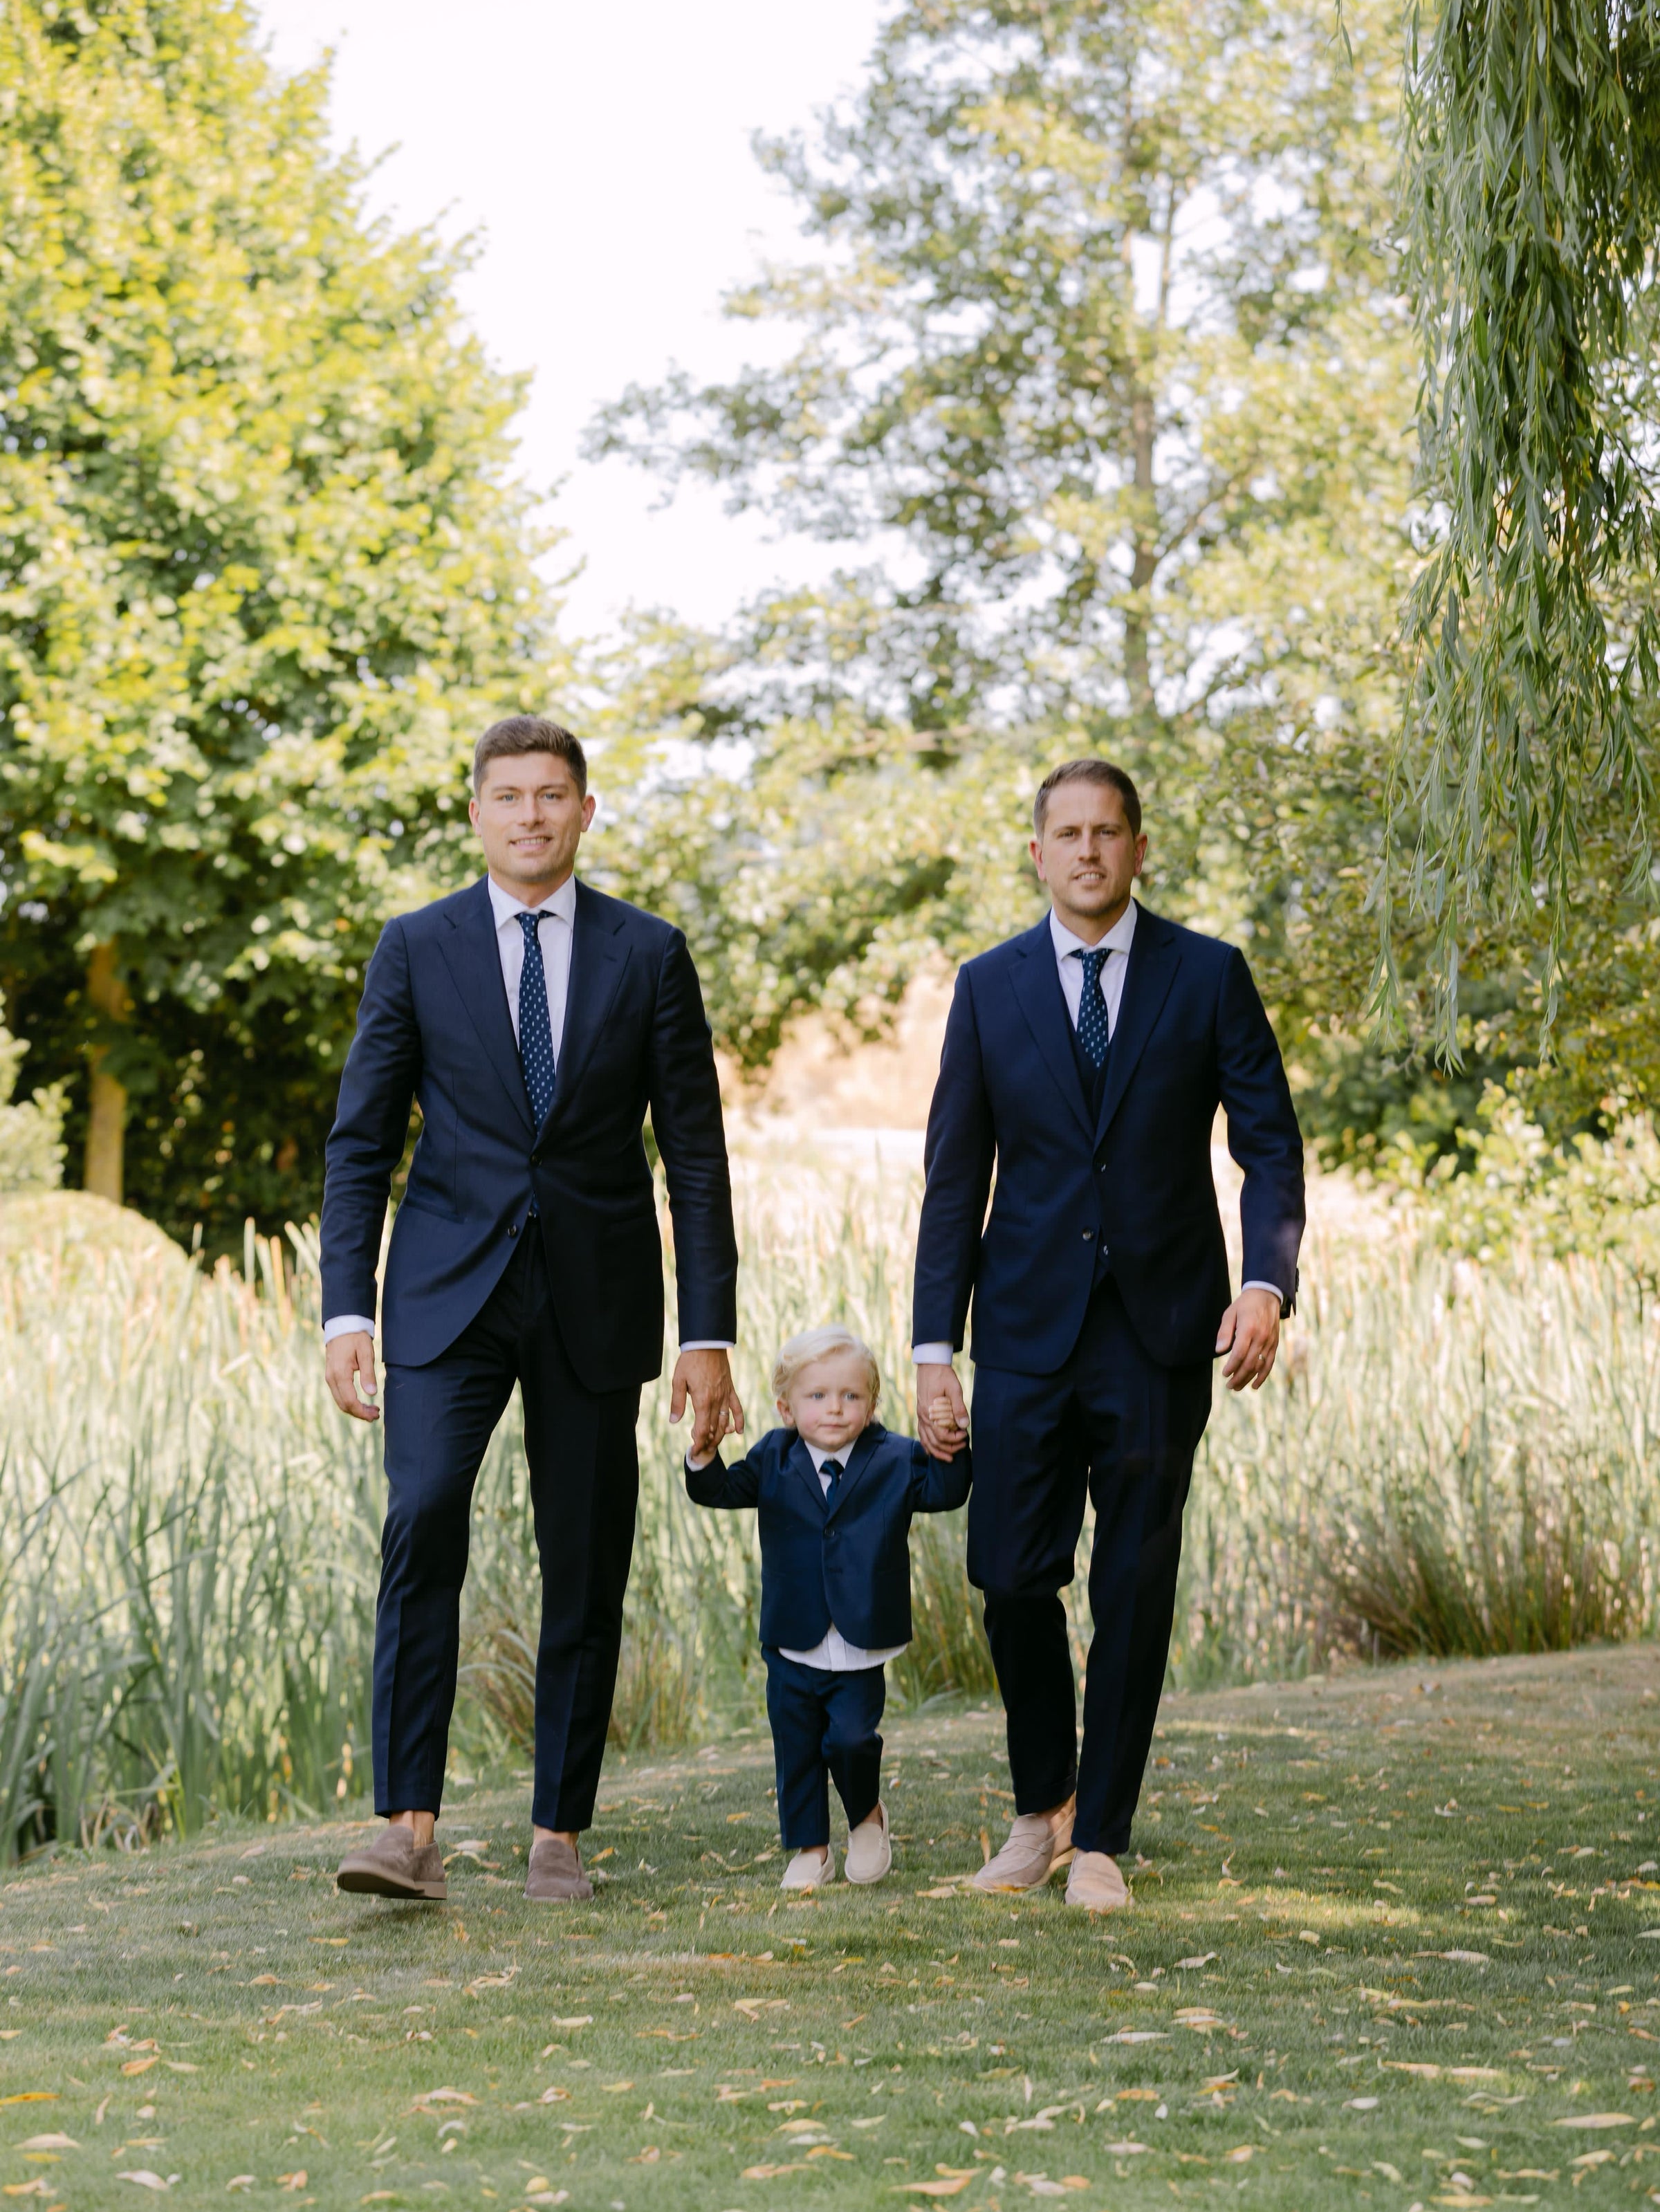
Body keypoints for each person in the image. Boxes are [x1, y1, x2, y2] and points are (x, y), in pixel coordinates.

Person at [321, 715, 740, 1906]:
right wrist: (343, 1311)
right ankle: (406, 1826)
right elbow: (360, 1145)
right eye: (507, 796)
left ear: (585, 810)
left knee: (586, 1556)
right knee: (423, 1520)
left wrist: (705, 1330)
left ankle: (560, 1828)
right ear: (477, 813)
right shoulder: (416, 946)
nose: (530, 815)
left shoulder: (648, 952)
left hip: (598, 1299)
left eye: (551, 795)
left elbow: (696, 1158)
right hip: (447, 1295)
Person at [912, 757, 1304, 1912]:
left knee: (1135, 1580)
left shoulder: (1209, 975)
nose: (1087, 851)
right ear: (1037, 852)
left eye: (1107, 832)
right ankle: (1043, 1806)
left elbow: (1269, 1142)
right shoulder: (989, 987)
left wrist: (1268, 1281)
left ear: (1138, 848)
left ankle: (1101, 1840)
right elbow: (953, 1179)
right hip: (1023, 1327)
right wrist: (935, 1349)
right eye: (1066, 833)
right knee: (1007, 1574)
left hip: (1161, 1327)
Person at [685, 1325, 970, 1889]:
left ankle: (867, 1815)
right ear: (786, 1406)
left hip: (862, 1638)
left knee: (850, 1739)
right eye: (818, 1396)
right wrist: (704, 1456)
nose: (835, 1409)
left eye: (851, 1396)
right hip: (793, 1634)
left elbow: (946, 1491)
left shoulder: (894, 1457)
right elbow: (719, 1492)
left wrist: (952, 1442)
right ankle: (810, 1848)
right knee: (796, 1745)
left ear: (872, 1403)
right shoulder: (773, 1455)